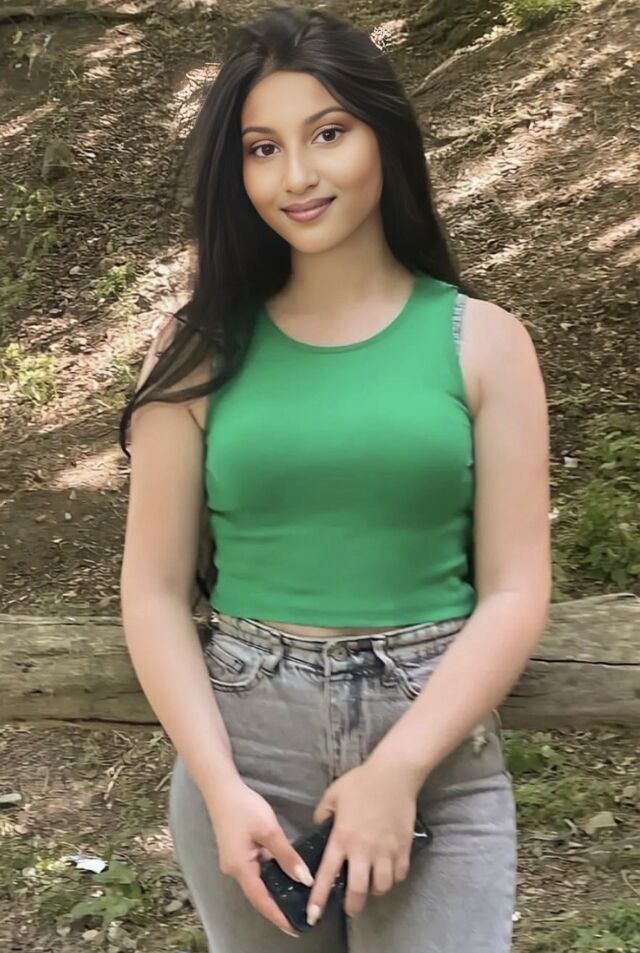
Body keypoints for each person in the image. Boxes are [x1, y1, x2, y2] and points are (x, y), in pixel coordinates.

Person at [118, 5, 551, 951]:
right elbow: (151, 592)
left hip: (435, 749)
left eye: (327, 134)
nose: (298, 176)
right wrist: (220, 785)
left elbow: (517, 590)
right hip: (245, 756)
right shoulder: (195, 348)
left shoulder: (485, 342)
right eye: (262, 148)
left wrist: (400, 768)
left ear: (383, 136)